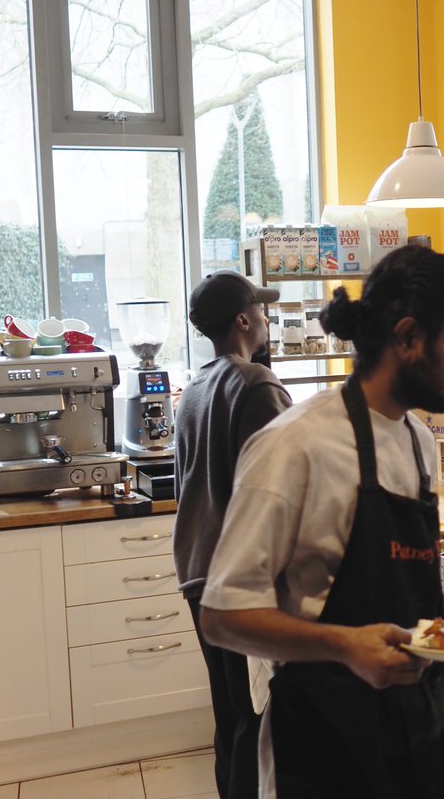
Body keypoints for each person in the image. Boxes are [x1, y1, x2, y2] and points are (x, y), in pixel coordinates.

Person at [199, 245, 444, 798]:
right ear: (409, 337)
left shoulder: (417, 440)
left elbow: (382, 580)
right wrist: (345, 646)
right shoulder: (294, 446)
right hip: (326, 742)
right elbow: (223, 616)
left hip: (425, 724)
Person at [173, 269, 291, 799]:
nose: (266, 318)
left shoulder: (195, 388)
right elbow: (285, 483)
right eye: (260, 310)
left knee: (231, 716)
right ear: (243, 320)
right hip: (243, 581)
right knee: (258, 718)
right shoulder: (254, 385)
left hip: (200, 574)